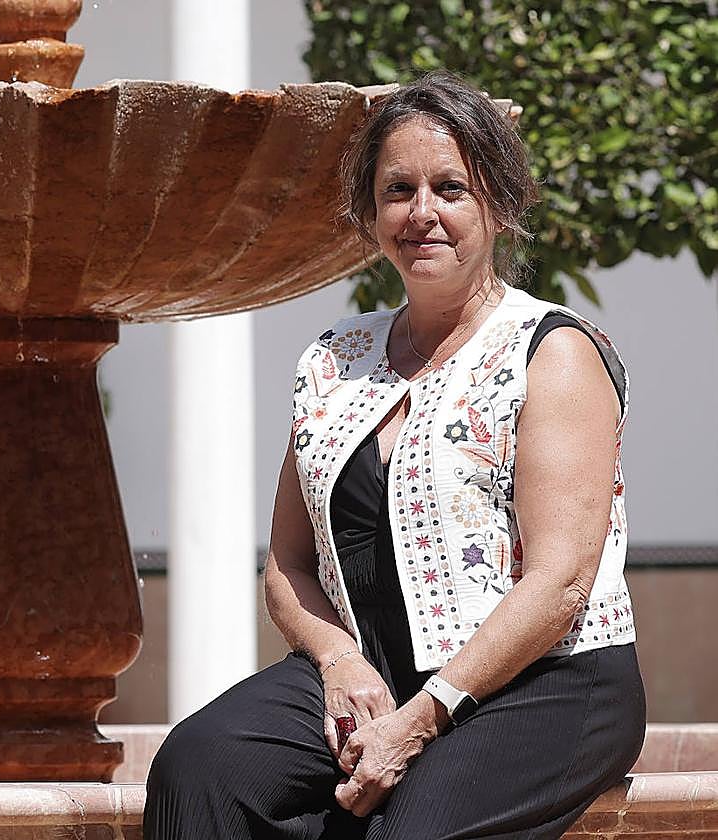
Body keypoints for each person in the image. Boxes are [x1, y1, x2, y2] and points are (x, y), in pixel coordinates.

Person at [143, 70, 646, 839]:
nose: (422, 214)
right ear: (369, 212)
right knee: (199, 764)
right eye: (397, 190)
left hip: (544, 680)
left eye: (451, 188)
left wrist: (422, 716)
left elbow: (561, 581)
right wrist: (339, 662)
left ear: (499, 205)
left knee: (407, 831)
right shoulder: (333, 359)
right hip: (374, 667)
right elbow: (286, 563)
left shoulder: (552, 352)